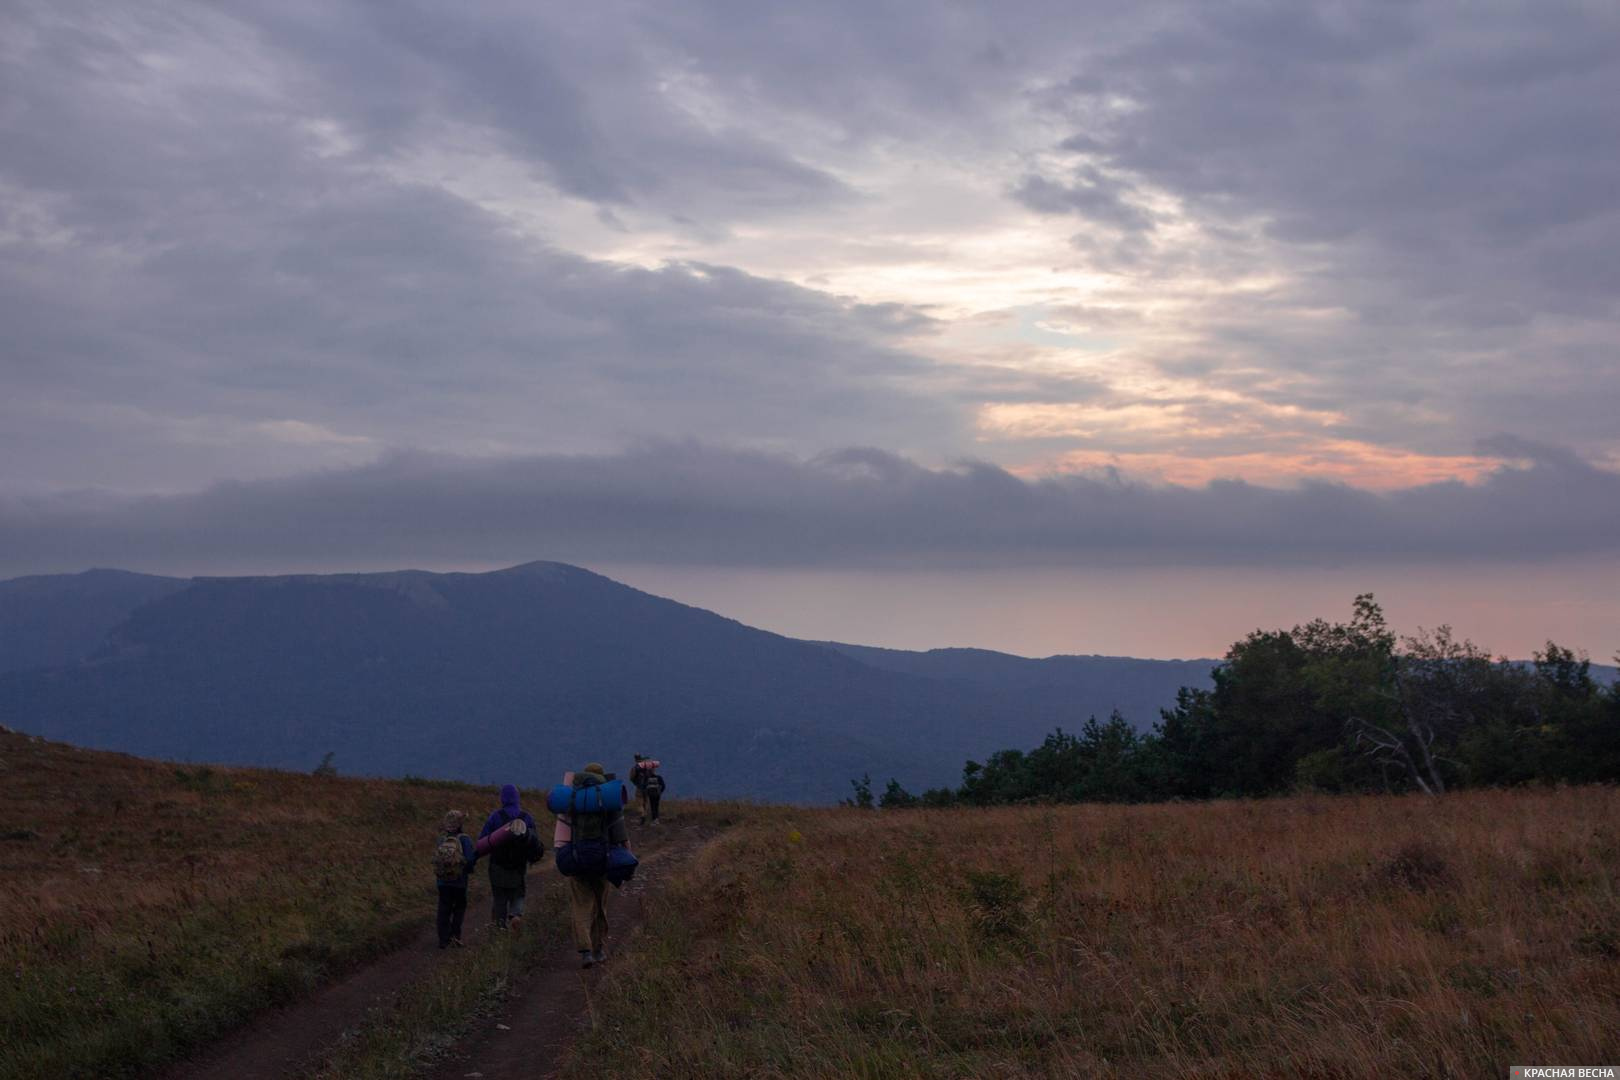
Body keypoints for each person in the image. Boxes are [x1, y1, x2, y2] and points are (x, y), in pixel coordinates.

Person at [562, 762, 630, 967]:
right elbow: (621, 838)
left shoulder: (572, 799)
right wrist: (628, 862)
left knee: (581, 906)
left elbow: (562, 835)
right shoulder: (608, 802)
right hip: (602, 862)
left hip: (577, 862)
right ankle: (599, 949)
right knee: (600, 906)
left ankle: (585, 952)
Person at [478, 783, 544, 932]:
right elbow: (534, 842)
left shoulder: (495, 816)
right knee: (518, 893)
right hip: (518, 866)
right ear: (517, 798)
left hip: (497, 866)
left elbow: (483, 839)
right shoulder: (526, 817)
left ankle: (499, 927)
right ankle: (516, 916)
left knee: (499, 898)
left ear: (502, 799)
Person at [433, 810, 478, 948]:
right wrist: (469, 870)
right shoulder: (465, 839)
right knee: (459, 907)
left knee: (443, 908)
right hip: (459, 882)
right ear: (460, 824)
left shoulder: (441, 839)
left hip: (442, 882)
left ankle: (443, 939)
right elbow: (470, 860)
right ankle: (455, 936)